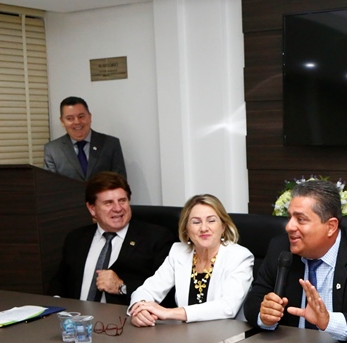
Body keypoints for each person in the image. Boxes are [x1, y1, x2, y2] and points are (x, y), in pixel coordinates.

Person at [243, 179, 347, 343]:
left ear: (331, 226)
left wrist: (328, 321)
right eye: (289, 217)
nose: (289, 227)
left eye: (300, 219)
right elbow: (254, 300)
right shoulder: (280, 248)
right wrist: (265, 315)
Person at [48, 172, 174, 305]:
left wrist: (122, 287)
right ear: (92, 209)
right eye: (108, 203)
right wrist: (56, 306)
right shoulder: (76, 238)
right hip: (77, 316)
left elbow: (169, 292)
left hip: (123, 317)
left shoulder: (156, 238)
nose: (118, 208)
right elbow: (60, 281)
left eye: (122, 200)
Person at [128, 195, 254, 326]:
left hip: (228, 334)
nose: (204, 228)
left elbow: (228, 307)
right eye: (196, 222)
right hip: (186, 334)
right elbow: (146, 291)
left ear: (223, 227)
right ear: (186, 230)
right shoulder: (178, 252)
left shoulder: (239, 256)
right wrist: (140, 310)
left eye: (211, 221)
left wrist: (168, 313)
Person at [43, 96, 126, 181]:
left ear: (90, 117)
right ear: (62, 121)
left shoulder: (111, 144)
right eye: (70, 118)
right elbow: (50, 185)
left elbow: (120, 182)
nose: (77, 122)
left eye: (81, 116)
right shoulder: (52, 150)